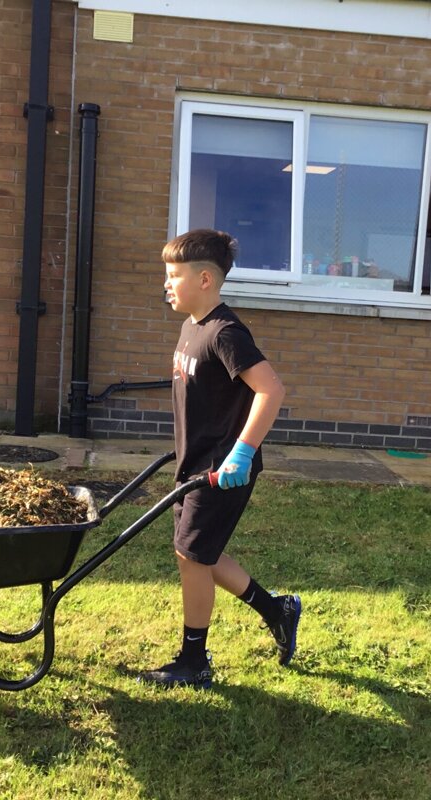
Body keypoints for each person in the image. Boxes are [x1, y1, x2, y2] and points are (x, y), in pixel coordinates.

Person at [139, 228, 300, 690]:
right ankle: (278, 611)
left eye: (174, 276)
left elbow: (271, 389)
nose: (166, 285)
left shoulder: (226, 332)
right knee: (198, 554)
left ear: (205, 279)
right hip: (194, 464)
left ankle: (194, 662)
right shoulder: (193, 327)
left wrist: (242, 454)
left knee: (192, 556)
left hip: (222, 471)